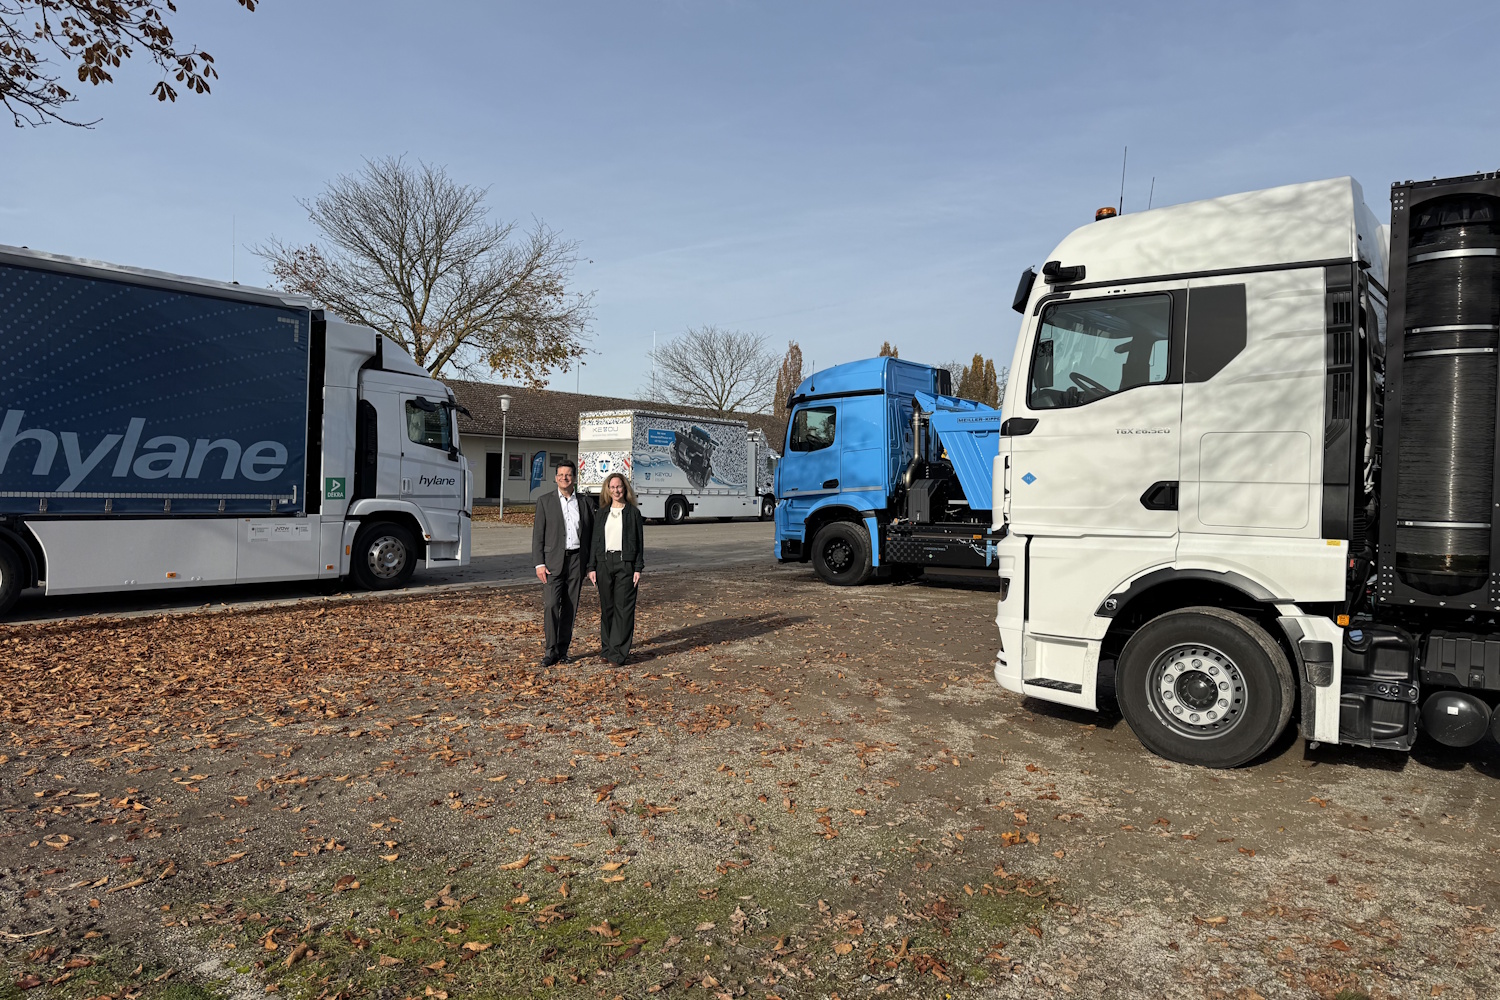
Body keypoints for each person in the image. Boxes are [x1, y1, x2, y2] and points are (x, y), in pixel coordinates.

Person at [532, 459, 594, 666]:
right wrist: (539, 563)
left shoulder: (585, 502)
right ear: (555, 478)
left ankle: (563, 650)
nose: (564, 478)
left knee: (570, 607)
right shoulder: (545, 501)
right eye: (560, 475)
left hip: (577, 561)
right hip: (552, 563)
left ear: (574, 478)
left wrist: (590, 565)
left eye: (568, 475)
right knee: (551, 605)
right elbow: (538, 535)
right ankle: (550, 651)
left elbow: (591, 536)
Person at [588, 471, 644, 665]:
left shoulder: (633, 513)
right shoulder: (602, 513)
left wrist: (638, 567)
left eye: (619, 486)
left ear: (625, 488)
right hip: (604, 563)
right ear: (607, 490)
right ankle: (607, 649)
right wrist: (591, 567)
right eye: (612, 487)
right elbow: (595, 541)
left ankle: (619, 654)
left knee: (623, 609)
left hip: (625, 564)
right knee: (608, 608)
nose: (616, 490)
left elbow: (639, 542)